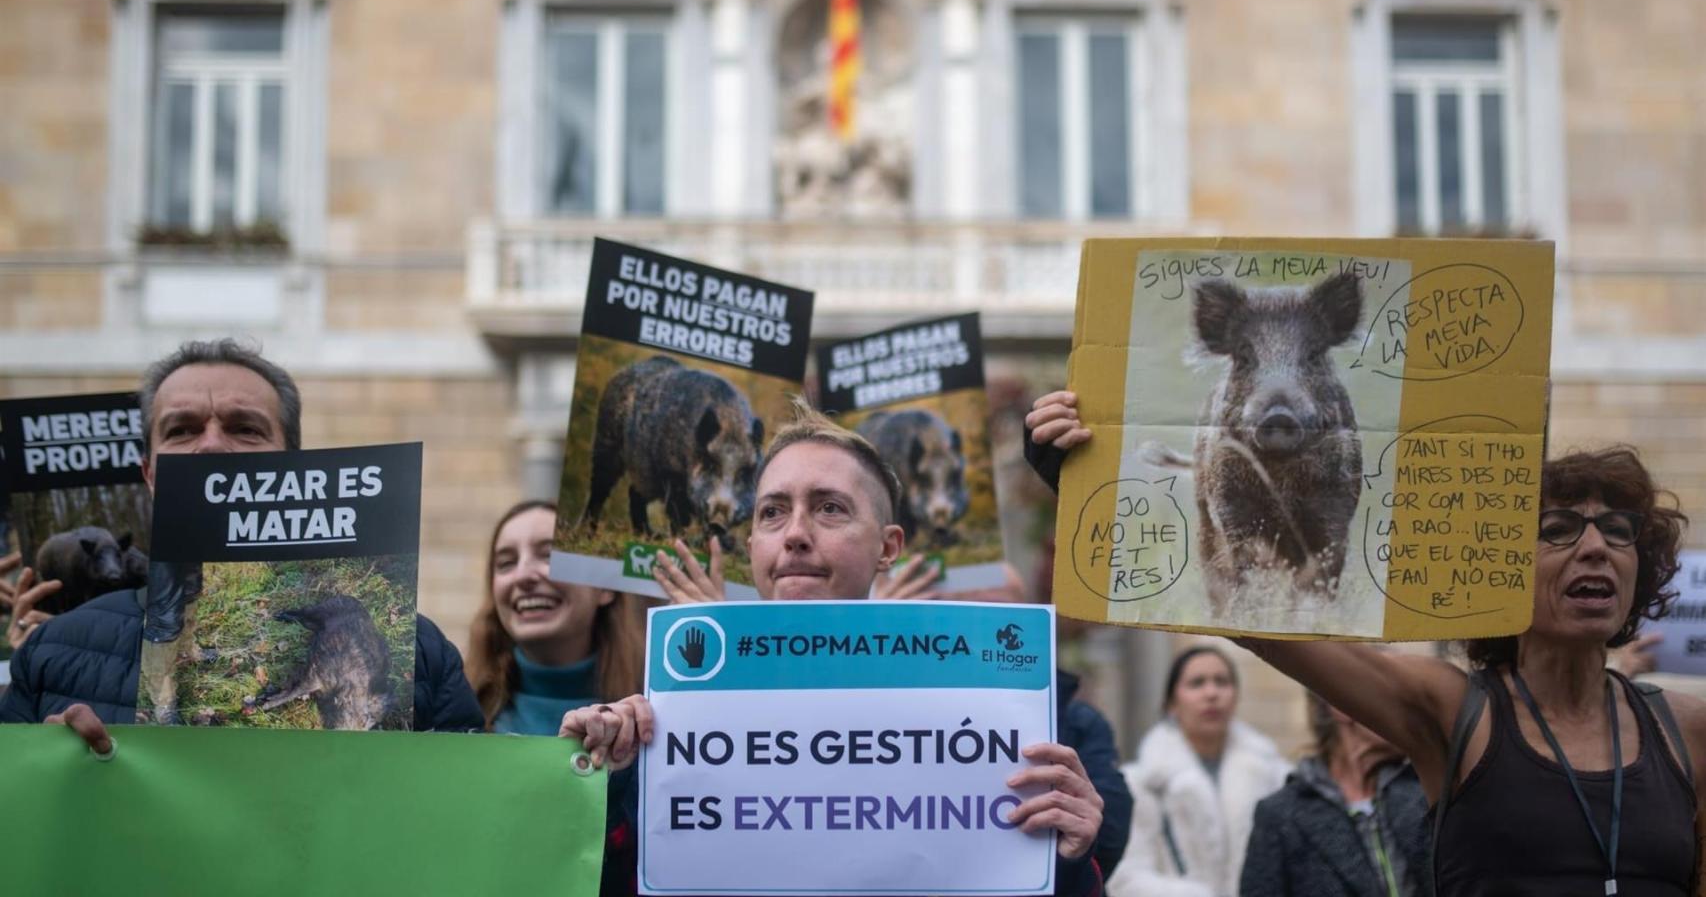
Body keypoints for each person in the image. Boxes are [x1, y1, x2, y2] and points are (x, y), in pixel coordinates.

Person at [1026, 390, 1706, 895]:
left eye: (1618, 531)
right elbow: (1252, 620)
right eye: (1558, 530)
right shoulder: (1454, 712)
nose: (1595, 547)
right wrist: (1098, 488)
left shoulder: (1687, 732)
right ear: (1497, 565)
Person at [564, 400, 1131, 896]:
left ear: (888, 548)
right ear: (751, 544)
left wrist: (1067, 862)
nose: (795, 534)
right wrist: (601, 786)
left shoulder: (980, 718)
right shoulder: (669, 718)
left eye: (829, 508)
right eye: (772, 512)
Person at [0, 338, 485, 743]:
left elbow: (464, 805)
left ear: (293, 463)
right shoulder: (53, 651)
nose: (211, 445)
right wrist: (45, 768)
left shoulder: (423, 652)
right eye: (182, 430)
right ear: (149, 474)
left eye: (245, 429)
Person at [1106, 646, 1289, 897]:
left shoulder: (1276, 776)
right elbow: (1126, 879)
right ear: (1172, 703)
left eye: (1222, 682)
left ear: (1236, 696)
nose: (1211, 693)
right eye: (1197, 683)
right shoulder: (1139, 784)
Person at [465, 499, 645, 734]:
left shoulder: (658, 716)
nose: (523, 575)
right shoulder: (455, 715)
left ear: (605, 587)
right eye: (506, 563)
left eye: (551, 556)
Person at [1239, 692, 1429, 897]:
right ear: (1341, 704)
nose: (1407, 716)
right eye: (1393, 701)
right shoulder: (1281, 815)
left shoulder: (1426, 792)